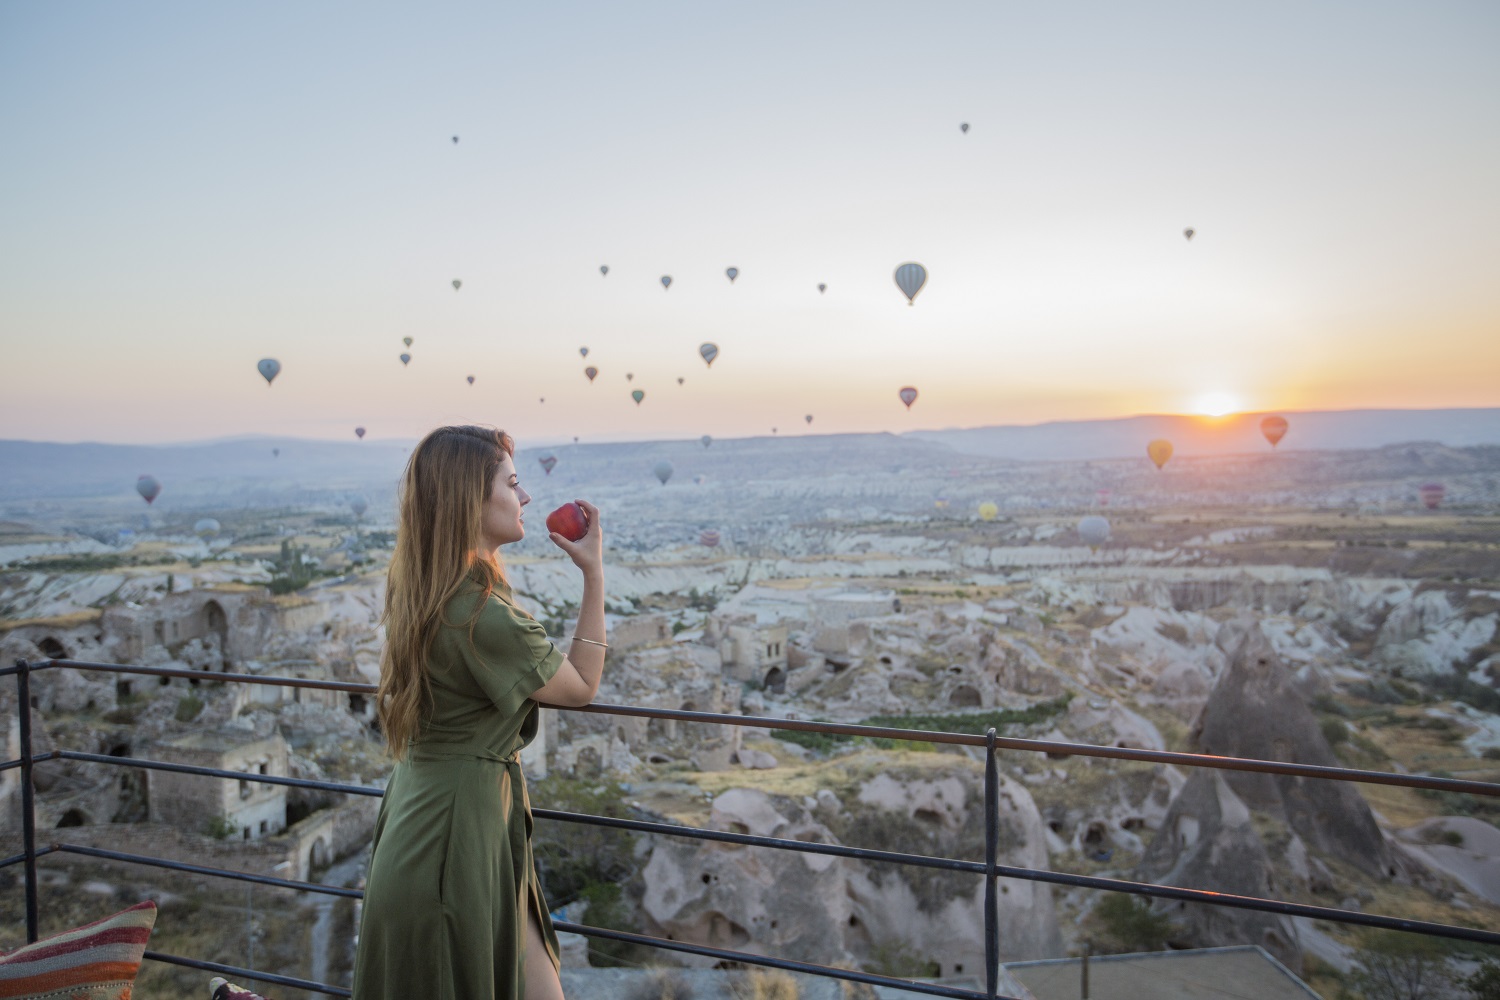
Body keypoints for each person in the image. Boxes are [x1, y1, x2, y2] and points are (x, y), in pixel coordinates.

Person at [352, 425, 607, 1000]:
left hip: (437, 815)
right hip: (458, 834)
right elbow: (583, 684)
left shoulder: (424, 595)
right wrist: (593, 573)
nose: (527, 498)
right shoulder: (482, 617)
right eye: (513, 484)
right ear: (471, 499)